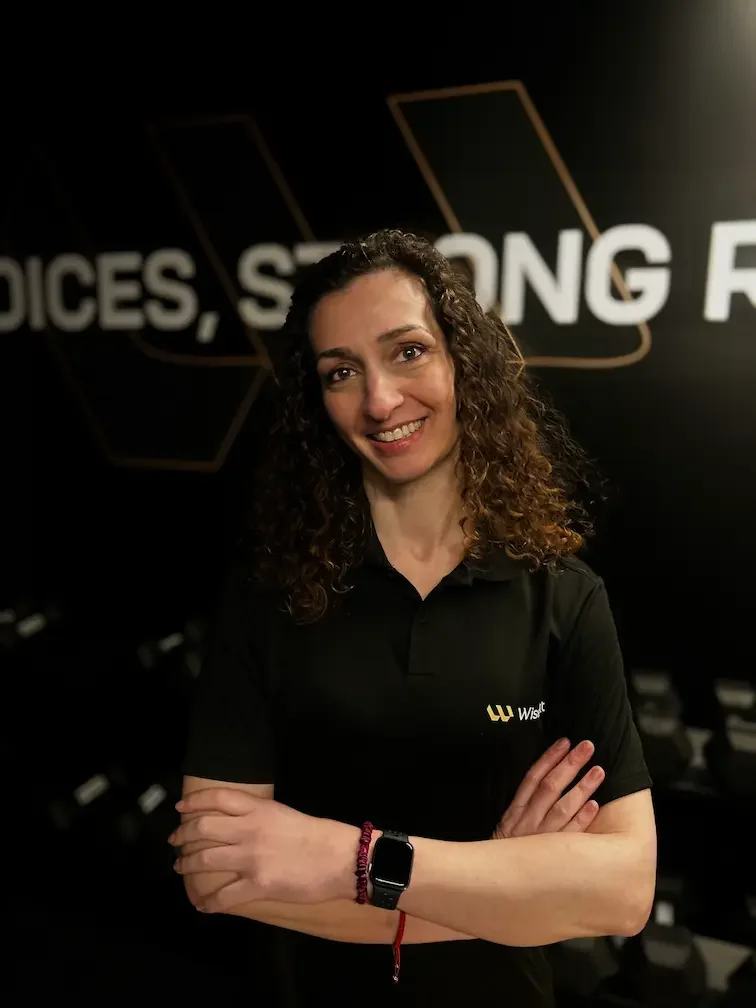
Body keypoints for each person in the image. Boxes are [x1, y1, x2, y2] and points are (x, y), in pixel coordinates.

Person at [170, 230, 656, 1006]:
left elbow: (625, 892)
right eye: (341, 372)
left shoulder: (563, 597)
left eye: (407, 352)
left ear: (464, 358)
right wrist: (507, 894)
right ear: (316, 402)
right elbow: (215, 875)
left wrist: (347, 857)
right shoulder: (271, 598)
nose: (380, 401)